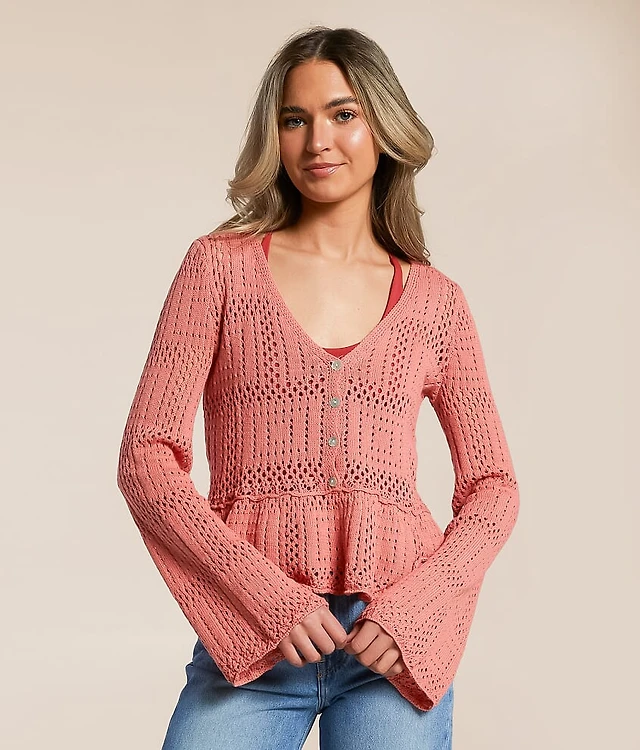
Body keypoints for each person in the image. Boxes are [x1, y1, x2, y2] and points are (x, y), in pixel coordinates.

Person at [116, 25, 519, 750]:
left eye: (343, 113)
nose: (317, 141)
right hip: (252, 641)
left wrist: (419, 608)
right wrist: (264, 596)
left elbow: (493, 486)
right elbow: (147, 459)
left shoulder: (437, 303)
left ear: (383, 126)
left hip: (391, 649)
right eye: (295, 120)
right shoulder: (218, 269)